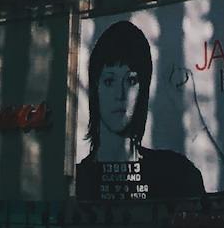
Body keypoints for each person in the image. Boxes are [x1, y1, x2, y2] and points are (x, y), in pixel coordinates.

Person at [73, 20, 206, 202]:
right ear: (95, 88)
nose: (121, 94)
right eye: (110, 81)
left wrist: (194, 110)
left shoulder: (176, 172)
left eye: (131, 81)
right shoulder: (77, 181)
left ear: (143, 89)